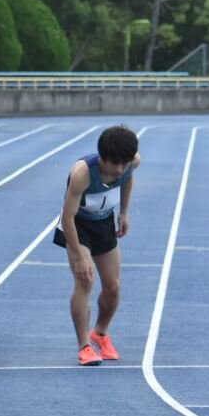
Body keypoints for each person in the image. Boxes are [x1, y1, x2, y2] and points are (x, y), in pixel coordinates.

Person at [57, 126, 140, 366]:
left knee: (113, 286)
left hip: (103, 222)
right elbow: (67, 217)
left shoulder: (129, 163)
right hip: (78, 225)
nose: (119, 169)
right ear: (102, 157)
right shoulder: (82, 173)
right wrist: (79, 256)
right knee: (85, 281)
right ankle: (84, 346)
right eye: (114, 164)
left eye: (124, 163)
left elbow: (128, 180)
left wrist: (123, 212)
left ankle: (100, 333)